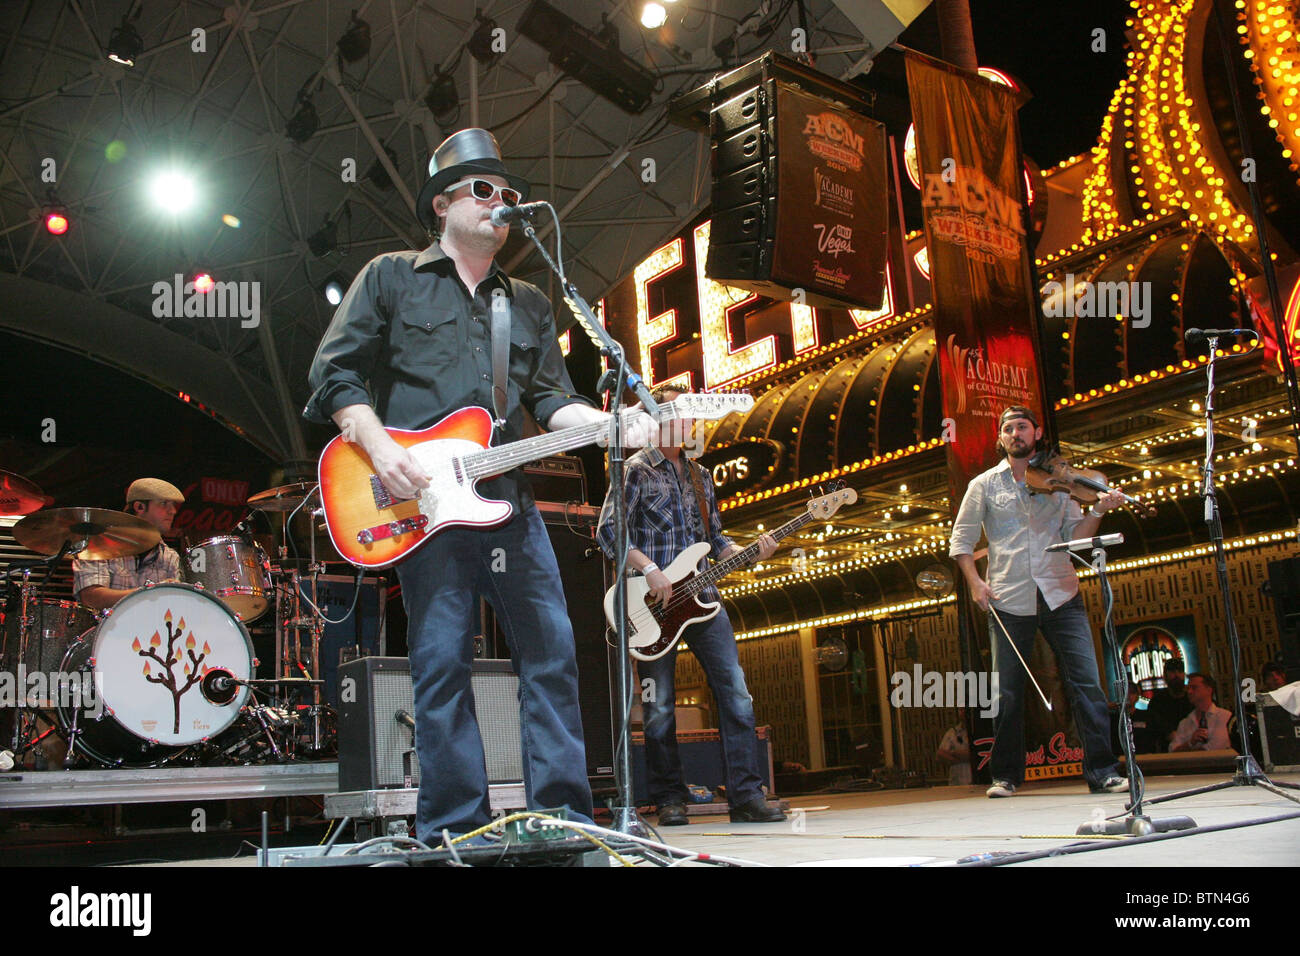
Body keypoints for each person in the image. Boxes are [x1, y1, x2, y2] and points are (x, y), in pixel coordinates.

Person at [305, 128, 651, 842]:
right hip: (420, 504)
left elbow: (554, 401)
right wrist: (380, 447)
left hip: (508, 499)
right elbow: (333, 373)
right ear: (443, 204)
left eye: (511, 194)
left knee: (553, 653)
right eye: (485, 190)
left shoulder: (526, 303)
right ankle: (451, 827)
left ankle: (563, 818)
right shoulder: (392, 276)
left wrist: (614, 424)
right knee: (440, 664)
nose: (504, 203)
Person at [597, 385, 784, 826]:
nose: (689, 424)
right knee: (660, 706)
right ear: (658, 418)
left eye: (692, 416)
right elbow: (609, 532)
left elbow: (715, 541)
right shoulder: (636, 470)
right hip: (654, 605)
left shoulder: (701, 476)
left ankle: (746, 796)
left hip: (704, 601)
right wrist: (648, 569)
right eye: (680, 414)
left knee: (736, 693)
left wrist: (752, 549)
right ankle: (669, 799)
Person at [949, 405, 1129, 798]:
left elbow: (1077, 536)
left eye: (1022, 427)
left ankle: (1103, 771)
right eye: (1008, 428)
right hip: (1008, 596)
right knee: (1007, 692)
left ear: (1036, 432)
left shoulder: (1060, 479)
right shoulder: (982, 484)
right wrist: (976, 583)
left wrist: (1098, 508)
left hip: (1060, 591)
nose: (1016, 433)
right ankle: (1006, 775)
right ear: (1001, 437)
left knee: (1087, 683)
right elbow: (961, 541)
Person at [74, 478, 184, 611]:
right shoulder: (98, 544)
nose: (173, 511)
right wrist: (150, 592)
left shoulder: (170, 557)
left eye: (173, 505)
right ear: (139, 507)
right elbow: (91, 597)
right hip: (106, 630)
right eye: (164, 503)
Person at [1169, 673, 1233, 751]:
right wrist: (1190, 743)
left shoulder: (1224, 716)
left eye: (1194, 687)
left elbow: (1214, 749)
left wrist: (1187, 749)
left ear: (1209, 690)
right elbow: (1173, 751)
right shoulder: (1185, 723)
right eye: (1188, 688)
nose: (1189, 692)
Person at [1145, 658, 1190, 750]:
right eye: (1172, 672)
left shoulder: (1191, 698)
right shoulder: (1157, 701)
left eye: (1180, 671)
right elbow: (1154, 729)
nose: (1176, 675)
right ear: (1165, 676)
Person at [937, 710, 972, 785]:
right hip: (956, 783)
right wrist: (961, 756)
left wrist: (953, 753)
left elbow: (976, 754)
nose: (963, 712)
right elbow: (940, 755)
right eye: (960, 709)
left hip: (977, 783)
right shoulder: (952, 732)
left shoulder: (982, 731)